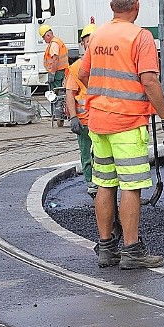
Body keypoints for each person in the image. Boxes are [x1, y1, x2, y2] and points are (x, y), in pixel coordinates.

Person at [78, 0, 164, 270]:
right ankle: (132, 251)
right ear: (136, 6)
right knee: (131, 186)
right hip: (127, 123)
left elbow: (83, 73)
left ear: (112, 7)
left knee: (104, 184)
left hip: (98, 122)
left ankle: (106, 248)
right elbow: (149, 81)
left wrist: (105, 94)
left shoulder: (98, 37)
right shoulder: (140, 36)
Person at [66, 24, 97, 197]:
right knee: (87, 153)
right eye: (87, 40)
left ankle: (105, 184)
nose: (90, 43)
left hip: (103, 119)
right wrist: (73, 118)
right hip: (85, 121)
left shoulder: (105, 64)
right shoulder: (77, 68)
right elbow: (70, 93)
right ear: (83, 44)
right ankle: (92, 184)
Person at [40, 24, 69, 91]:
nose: (44, 40)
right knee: (61, 90)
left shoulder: (54, 44)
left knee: (56, 91)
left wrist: (52, 73)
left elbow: (55, 60)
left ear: (48, 35)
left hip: (57, 72)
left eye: (43, 37)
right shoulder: (58, 41)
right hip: (61, 71)